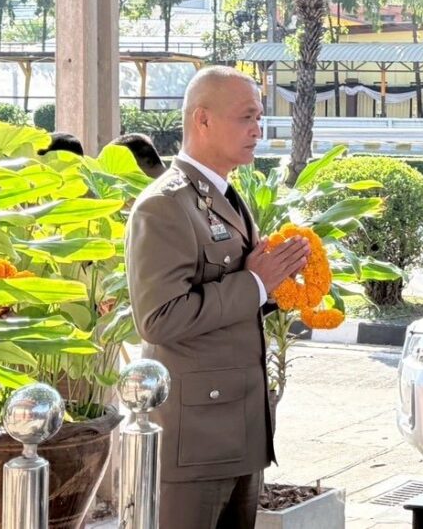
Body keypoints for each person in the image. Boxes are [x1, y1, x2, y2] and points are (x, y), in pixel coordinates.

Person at [126, 66, 310, 529]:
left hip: (240, 431)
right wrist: (255, 284)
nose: (257, 130)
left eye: (260, 117)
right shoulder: (165, 205)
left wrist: (276, 282)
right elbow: (159, 318)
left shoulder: (222, 195)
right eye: (246, 117)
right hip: (196, 438)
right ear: (203, 120)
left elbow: (237, 295)